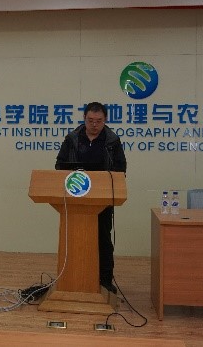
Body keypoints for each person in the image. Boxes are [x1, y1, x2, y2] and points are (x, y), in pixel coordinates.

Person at [55, 102, 126, 294]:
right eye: (90, 120)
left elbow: (120, 169)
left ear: (105, 120)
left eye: (99, 121)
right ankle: (73, 278)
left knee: (103, 239)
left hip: (102, 199)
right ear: (84, 118)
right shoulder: (72, 139)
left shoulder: (112, 141)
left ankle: (105, 280)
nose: (94, 125)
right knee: (75, 238)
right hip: (75, 198)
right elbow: (60, 165)